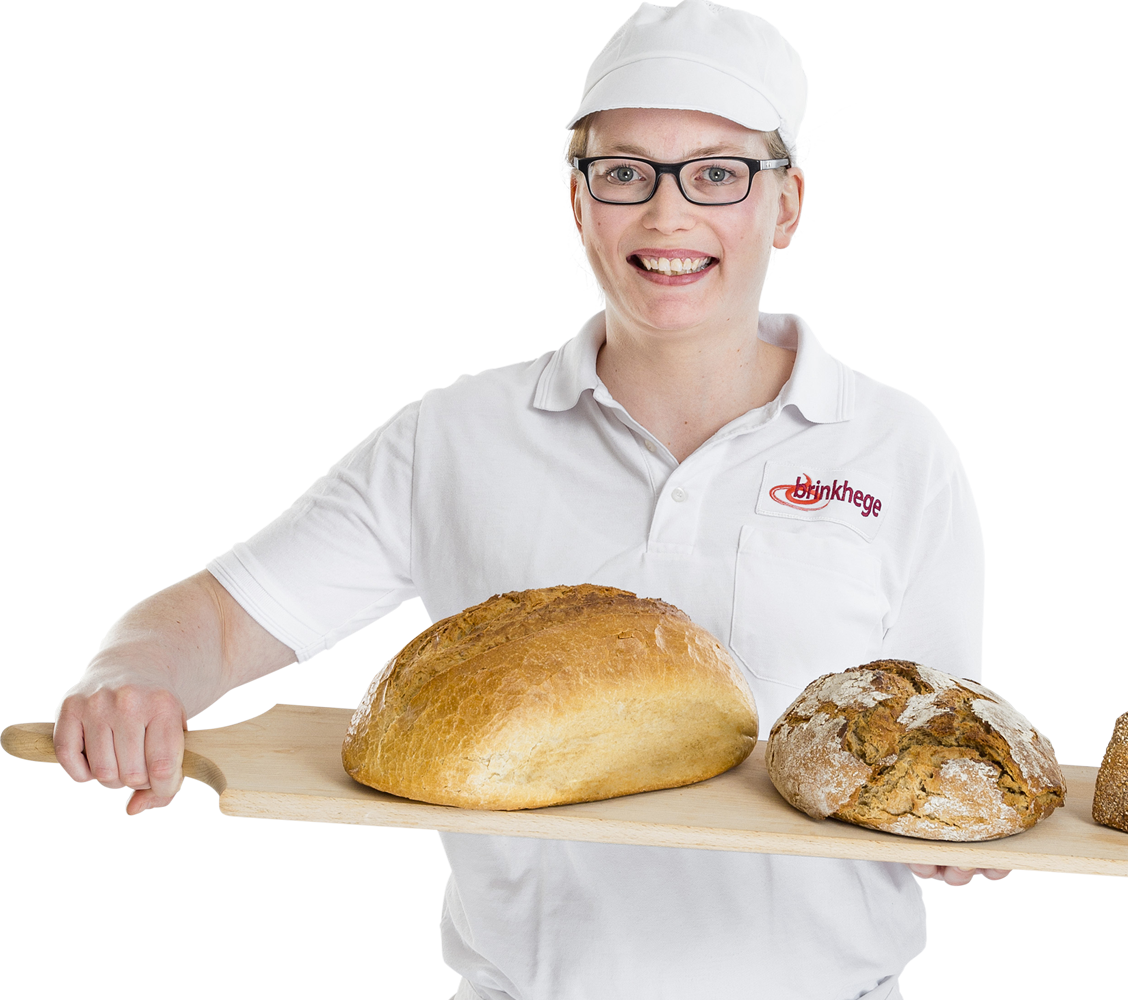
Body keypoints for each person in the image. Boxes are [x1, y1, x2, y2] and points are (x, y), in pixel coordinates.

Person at [53, 4, 1006, 998]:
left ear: (786, 204)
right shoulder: (456, 438)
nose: (667, 215)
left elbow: (937, 746)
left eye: (717, 173)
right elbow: (217, 619)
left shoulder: (895, 450)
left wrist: (951, 830)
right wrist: (132, 673)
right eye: (625, 172)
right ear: (579, 201)